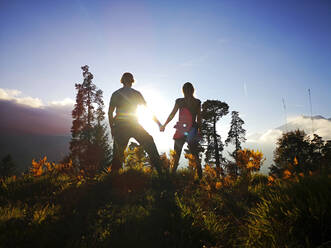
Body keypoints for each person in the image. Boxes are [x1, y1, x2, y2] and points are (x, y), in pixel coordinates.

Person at [108, 72, 162, 174]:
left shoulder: (116, 94)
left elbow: (110, 113)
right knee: (149, 142)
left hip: (120, 127)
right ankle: (161, 172)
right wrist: (158, 123)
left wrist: (112, 128)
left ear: (122, 81)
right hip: (134, 125)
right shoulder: (136, 94)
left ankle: (113, 178)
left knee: (117, 154)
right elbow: (148, 110)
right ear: (132, 81)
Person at [160, 82, 202, 178]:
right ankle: (200, 177)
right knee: (194, 154)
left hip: (181, 130)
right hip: (192, 130)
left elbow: (172, 114)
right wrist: (200, 130)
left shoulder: (180, 101)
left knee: (177, 155)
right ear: (193, 90)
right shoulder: (197, 102)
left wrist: (164, 125)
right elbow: (199, 118)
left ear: (183, 90)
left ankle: (172, 176)